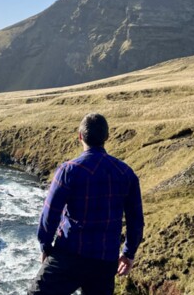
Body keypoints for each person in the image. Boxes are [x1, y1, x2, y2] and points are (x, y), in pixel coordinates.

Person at [28, 113, 144, 295]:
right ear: (107, 137)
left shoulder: (69, 170)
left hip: (69, 254)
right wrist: (128, 254)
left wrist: (45, 245)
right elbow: (136, 220)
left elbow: (50, 213)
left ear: (80, 136)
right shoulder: (126, 173)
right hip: (105, 260)